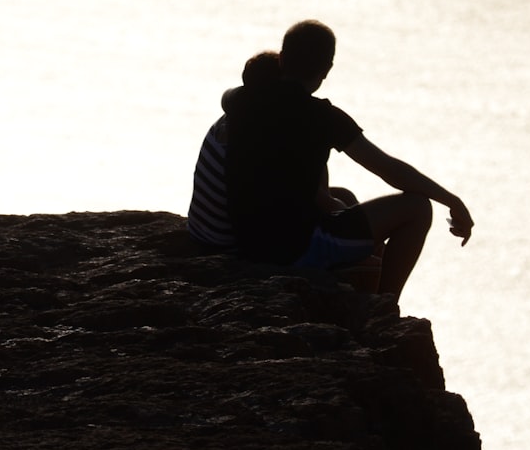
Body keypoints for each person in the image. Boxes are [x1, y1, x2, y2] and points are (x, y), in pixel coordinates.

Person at [223, 20, 473, 296]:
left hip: (247, 240)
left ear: (282, 59)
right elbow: (389, 169)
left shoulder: (243, 99)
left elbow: (228, 98)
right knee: (418, 208)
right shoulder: (324, 119)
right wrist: (451, 200)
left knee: (344, 196)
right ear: (327, 69)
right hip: (294, 250)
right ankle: (385, 307)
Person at [187, 51, 281, 249]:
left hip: (200, 228)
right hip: (224, 238)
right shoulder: (258, 132)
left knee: (340, 197)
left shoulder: (232, 116)